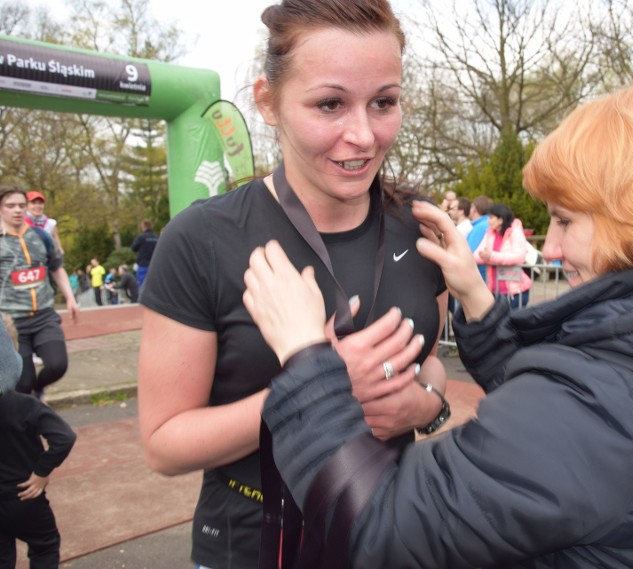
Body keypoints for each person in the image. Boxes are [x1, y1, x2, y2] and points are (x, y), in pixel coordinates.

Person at [244, 78, 633, 568]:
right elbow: (564, 406)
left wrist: (304, 356)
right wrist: (475, 296)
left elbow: (378, 531)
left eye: (566, 221)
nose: (554, 248)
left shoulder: (596, 414)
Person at [137, 2, 449, 568]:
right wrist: (318, 389)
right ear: (267, 102)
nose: (362, 135)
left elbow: (427, 366)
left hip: (396, 531)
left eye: (384, 102)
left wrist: (428, 407)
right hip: (255, 544)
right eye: (330, 104)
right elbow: (163, 443)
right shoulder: (200, 239)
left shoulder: (420, 225)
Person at [0, 312, 76, 569]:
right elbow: (64, 437)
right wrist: (42, 471)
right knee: (44, 544)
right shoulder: (24, 405)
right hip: (25, 495)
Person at [0, 185, 78, 398]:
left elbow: (57, 268)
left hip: (44, 316)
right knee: (21, 382)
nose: (17, 210)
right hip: (12, 322)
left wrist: (70, 298)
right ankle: (30, 411)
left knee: (57, 365)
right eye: (10, 206)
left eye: (21, 205)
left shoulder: (41, 236)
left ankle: (36, 391)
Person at [473, 202, 533, 309]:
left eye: (491, 218)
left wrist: (491, 257)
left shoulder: (515, 232)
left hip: (515, 292)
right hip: (495, 291)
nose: (488, 221)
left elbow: (519, 257)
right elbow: (476, 255)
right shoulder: (490, 233)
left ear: (500, 219)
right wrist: (491, 257)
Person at [466, 194, 493, 281]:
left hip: (480, 276)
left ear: (474, 208)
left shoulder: (480, 227)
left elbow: (469, 252)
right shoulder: (486, 224)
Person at [130, 220, 158, 290]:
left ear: (143, 227)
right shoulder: (157, 237)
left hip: (143, 264)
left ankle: (143, 300)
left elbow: (133, 248)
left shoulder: (141, 237)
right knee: (155, 285)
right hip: (155, 264)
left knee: (142, 284)